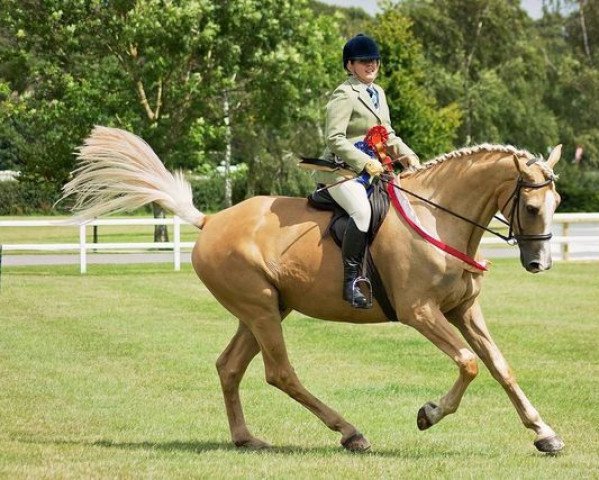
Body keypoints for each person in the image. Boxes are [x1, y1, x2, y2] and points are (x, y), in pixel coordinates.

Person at [315, 33, 419, 309]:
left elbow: (387, 134)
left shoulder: (379, 93)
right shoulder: (344, 94)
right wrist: (364, 161)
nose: (370, 65)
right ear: (350, 65)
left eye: (374, 60)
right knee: (362, 211)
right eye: (363, 61)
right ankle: (351, 281)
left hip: (374, 170)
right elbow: (334, 139)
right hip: (342, 172)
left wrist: (406, 154)